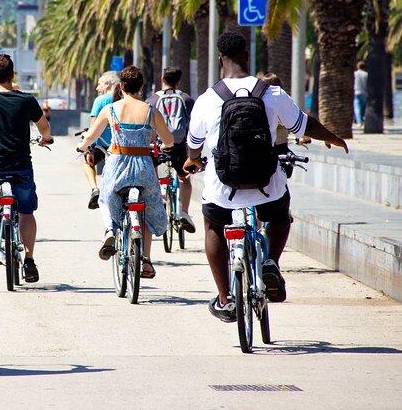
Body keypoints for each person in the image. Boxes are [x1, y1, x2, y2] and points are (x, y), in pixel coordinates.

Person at [184, 32, 348, 323]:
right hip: (266, 184)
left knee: (212, 226)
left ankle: (225, 299)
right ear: (247, 56)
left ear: (220, 59)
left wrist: (193, 160)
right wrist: (333, 137)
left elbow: (194, 143)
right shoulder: (271, 93)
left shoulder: (208, 99)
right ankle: (271, 260)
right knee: (281, 213)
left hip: (223, 187)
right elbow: (302, 124)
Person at [78, 66, 174, 278]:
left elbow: (91, 137)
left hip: (117, 165)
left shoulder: (111, 109)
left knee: (105, 198)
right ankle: (146, 261)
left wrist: (82, 147)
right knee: (148, 208)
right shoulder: (150, 110)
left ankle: (110, 231)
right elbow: (168, 140)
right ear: (141, 87)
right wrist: (165, 146)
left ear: (121, 87)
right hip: (143, 168)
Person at [0, 53, 53, 283]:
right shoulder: (26, 100)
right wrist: (46, 139)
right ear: (12, 75)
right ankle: (30, 260)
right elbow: (45, 127)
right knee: (26, 212)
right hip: (21, 166)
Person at [145, 67, 196, 233]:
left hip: (159, 147)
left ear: (162, 79)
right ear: (179, 81)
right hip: (179, 147)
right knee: (184, 179)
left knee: (151, 171)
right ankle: (184, 212)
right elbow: (193, 125)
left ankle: (160, 196)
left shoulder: (151, 101)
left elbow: (147, 127)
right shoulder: (186, 99)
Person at [84, 71, 120, 209]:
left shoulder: (100, 100)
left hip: (102, 145)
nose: (97, 88)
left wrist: (88, 148)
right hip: (120, 146)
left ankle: (94, 189)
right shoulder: (122, 98)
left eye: (99, 84)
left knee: (87, 162)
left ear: (107, 84)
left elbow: (93, 128)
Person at [353, 61, 368, 126]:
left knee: (357, 107)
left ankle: (359, 122)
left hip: (356, 92)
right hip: (364, 92)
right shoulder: (366, 74)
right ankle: (362, 120)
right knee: (363, 107)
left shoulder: (354, 74)